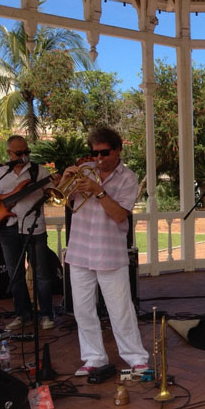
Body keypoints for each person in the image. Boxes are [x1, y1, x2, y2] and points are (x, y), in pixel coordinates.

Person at [60, 127, 149, 376]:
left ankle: (136, 357)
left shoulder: (127, 178)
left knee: (120, 309)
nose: (98, 158)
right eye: (94, 152)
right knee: (83, 310)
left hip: (109, 253)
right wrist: (64, 181)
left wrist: (98, 191)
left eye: (104, 152)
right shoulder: (86, 171)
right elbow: (64, 200)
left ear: (118, 149)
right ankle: (93, 358)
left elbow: (120, 214)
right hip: (79, 252)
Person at [0, 135, 56, 331]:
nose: (24, 156)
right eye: (19, 153)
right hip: (8, 226)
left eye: (26, 152)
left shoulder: (39, 171)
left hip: (34, 226)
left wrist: (58, 183)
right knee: (15, 274)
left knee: (42, 274)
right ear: (9, 153)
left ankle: (46, 314)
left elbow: (55, 193)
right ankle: (23, 315)